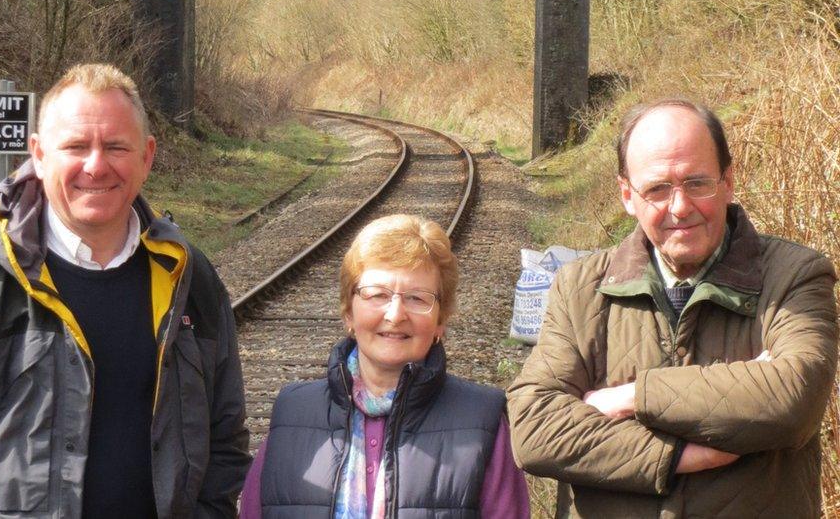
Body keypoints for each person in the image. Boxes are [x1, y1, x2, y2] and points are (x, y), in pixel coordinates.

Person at [0, 63, 250, 518]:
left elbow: (224, 433)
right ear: (40, 155)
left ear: (146, 156)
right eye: (76, 146)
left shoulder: (188, 276)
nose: (96, 165)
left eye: (115, 146)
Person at [508, 98, 839, 517]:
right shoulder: (581, 287)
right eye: (658, 189)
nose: (680, 208)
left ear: (728, 181)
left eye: (697, 183)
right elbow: (535, 429)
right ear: (628, 195)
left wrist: (628, 397)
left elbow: (793, 398)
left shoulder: (793, 275)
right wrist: (680, 455)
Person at [240, 214, 530, 519]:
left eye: (417, 298)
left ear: (440, 320)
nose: (395, 314)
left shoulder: (482, 421)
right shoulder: (292, 414)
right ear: (348, 312)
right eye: (377, 294)